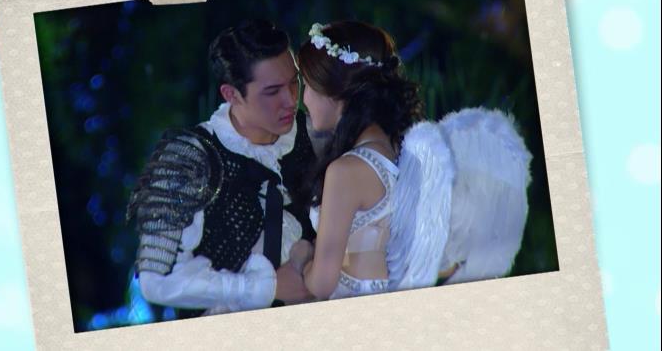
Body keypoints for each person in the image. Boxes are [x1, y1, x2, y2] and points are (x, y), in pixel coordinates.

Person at [289, 21, 533, 300]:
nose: (304, 99)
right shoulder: (398, 151)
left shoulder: (346, 171)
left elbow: (322, 282)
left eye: (308, 86)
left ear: (336, 92)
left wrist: (302, 259)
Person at [126, 19, 317, 318]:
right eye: (272, 91)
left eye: (294, 81)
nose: (291, 99)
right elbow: (157, 280)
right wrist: (263, 288)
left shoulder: (315, 133)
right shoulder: (186, 158)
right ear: (231, 94)